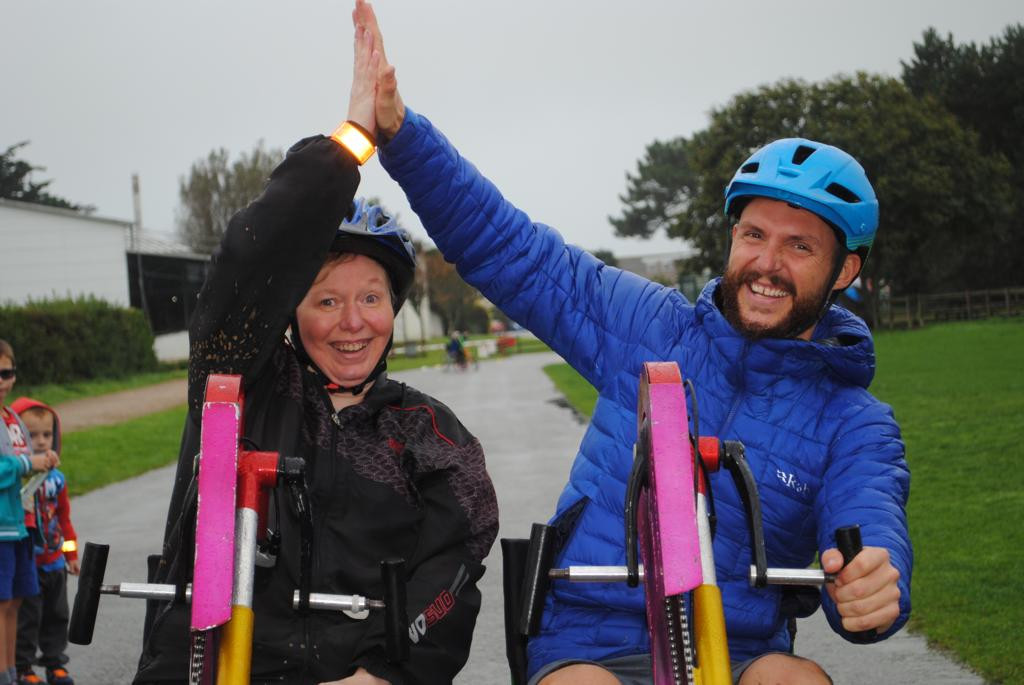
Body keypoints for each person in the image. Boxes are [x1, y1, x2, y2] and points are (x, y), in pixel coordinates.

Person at [351, 3, 911, 684]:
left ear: (844, 270)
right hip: (589, 638)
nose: (768, 263)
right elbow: (512, 250)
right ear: (732, 238)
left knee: (794, 680)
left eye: (800, 246)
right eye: (755, 235)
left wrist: (874, 579)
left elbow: (869, 515)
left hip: (735, 651)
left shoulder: (856, 422)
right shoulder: (649, 326)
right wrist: (402, 136)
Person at [132, 29, 498, 685]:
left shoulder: (431, 435)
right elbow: (249, 260)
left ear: (394, 305)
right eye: (326, 301)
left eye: (370, 297)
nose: (353, 322)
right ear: (288, 314)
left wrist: (384, 673)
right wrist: (351, 141)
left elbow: (454, 568)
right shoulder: (242, 385)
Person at [0, 342, 59, 685]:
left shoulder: (13, 420)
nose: (2, 381)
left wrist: (44, 464)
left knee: (14, 602)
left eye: (7, 373)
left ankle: (10, 671)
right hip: (1, 527)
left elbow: (27, 467)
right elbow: (15, 465)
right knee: (1, 602)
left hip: (20, 525)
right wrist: (27, 463)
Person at [9, 398, 78, 685]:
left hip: (54, 562)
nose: (40, 441)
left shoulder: (57, 479)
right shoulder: (19, 480)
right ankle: (24, 667)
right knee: (27, 618)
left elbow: (64, 516)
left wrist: (71, 552)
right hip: (29, 560)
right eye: (32, 435)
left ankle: (54, 663)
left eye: (46, 435)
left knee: (57, 614)